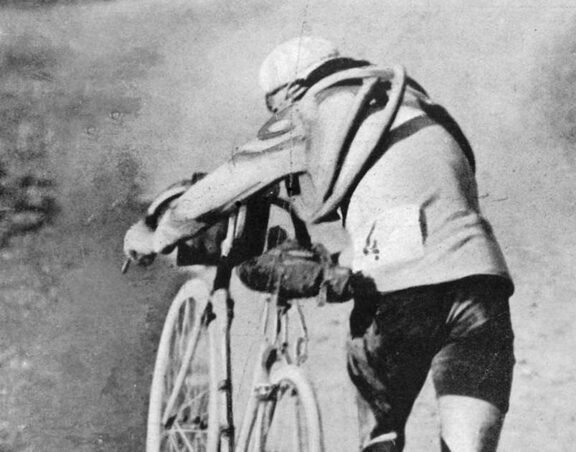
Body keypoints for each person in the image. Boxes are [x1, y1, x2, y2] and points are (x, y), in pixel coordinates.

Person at [124, 36, 515, 452]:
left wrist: (156, 235)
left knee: (379, 440)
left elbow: (221, 187)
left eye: (271, 105)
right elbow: (426, 223)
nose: (274, 114)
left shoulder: (311, 108)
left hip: (400, 294)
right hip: (482, 283)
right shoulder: (419, 108)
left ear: (291, 89)